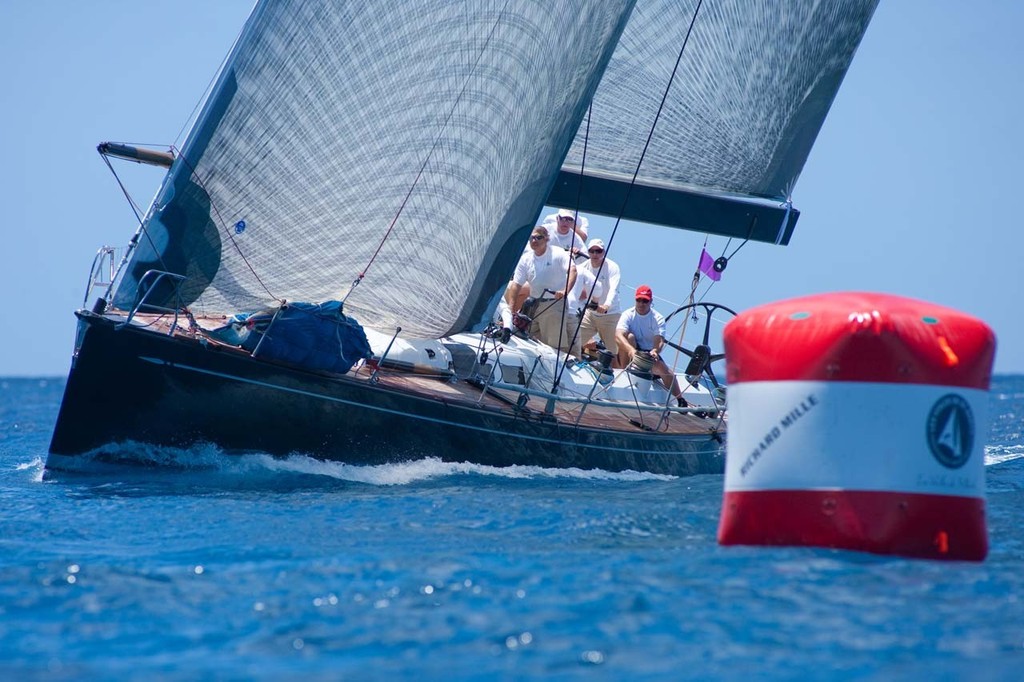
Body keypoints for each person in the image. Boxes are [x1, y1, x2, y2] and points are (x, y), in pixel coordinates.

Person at [507, 225, 576, 350]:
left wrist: (565, 291)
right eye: (531, 238)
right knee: (525, 341)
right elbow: (516, 285)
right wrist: (510, 309)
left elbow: (573, 270)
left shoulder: (558, 253)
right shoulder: (526, 259)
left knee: (554, 346)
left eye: (539, 237)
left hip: (554, 304)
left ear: (547, 239)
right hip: (533, 305)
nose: (534, 241)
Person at [615, 285, 686, 406]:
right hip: (631, 351)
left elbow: (659, 340)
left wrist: (655, 351)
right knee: (629, 337)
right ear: (635, 300)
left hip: (648, 354)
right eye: (639, 300)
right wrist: (631, 350)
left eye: (645, 301)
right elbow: (618, 335)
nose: (641, 304)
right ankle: (625, 372)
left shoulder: (657, 318)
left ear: (651, 301)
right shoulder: (628, 314)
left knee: (666, 372)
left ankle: (680, 399)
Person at [575, 238, 622, 366]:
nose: (595, 254)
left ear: (604, 252)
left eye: (598, 251)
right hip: (590, 315)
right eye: (592, 251)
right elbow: (570, 275)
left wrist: (606, 305)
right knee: (574, 342)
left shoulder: (612, 267)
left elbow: (614, 289)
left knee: (612, 354)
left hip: (610, 316)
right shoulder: (583, 267)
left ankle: (616, 378)